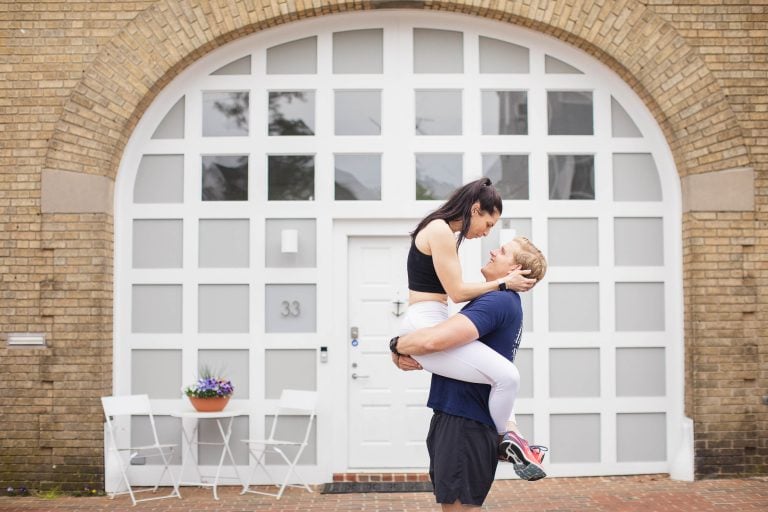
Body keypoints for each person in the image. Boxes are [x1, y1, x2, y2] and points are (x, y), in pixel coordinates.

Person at [391, 237, 547, 508]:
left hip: (465, 423)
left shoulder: (497, 301)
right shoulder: (500, 299)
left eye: (503, 251)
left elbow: (435, 341)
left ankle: (507, 437)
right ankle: (509, 436)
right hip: (463, 419)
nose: (493, 250)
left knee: (457, 507)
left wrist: (396, 345)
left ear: (515, 270)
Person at [400, 177, 534, 440]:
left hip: (431, 320)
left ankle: (513, 436)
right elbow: (457, 292)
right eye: (488, 224)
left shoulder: (442, 231)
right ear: (475, 209)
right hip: (424, 322)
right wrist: (503, 282)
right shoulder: (439, 230)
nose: (486, 233)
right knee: (507, 376)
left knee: (496, 372)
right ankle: (502, 439)